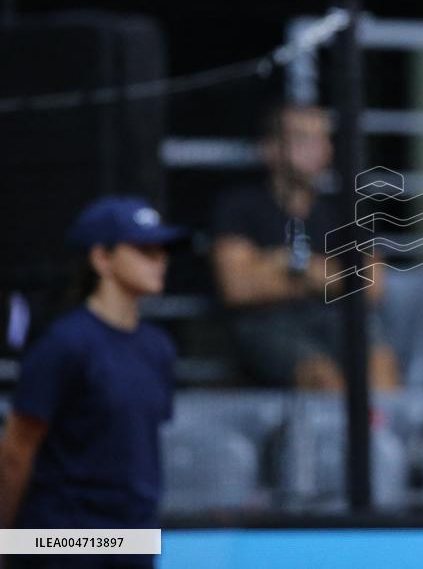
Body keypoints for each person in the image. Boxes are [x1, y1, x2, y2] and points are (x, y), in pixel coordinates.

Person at [0, 196, 184, 569]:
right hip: (65, 538)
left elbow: (138, 449)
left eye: (162, 250)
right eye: (144, 249)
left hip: (131, 539)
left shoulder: (158, 347)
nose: (160, 259)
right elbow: (17, 452)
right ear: (102, 258)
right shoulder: (64, 345)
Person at [212, 104, 399, 390]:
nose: (316, 148)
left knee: (379, 364)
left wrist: (286, 265)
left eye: (322, 138)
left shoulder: (346, 208)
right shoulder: (240, 206)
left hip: (334, 318)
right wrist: (332, 277)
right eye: (302, 138)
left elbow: (372, 286)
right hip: (267, 323)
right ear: (270, 148)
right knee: (322, 377)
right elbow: (238, 287)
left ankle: (383, 435)